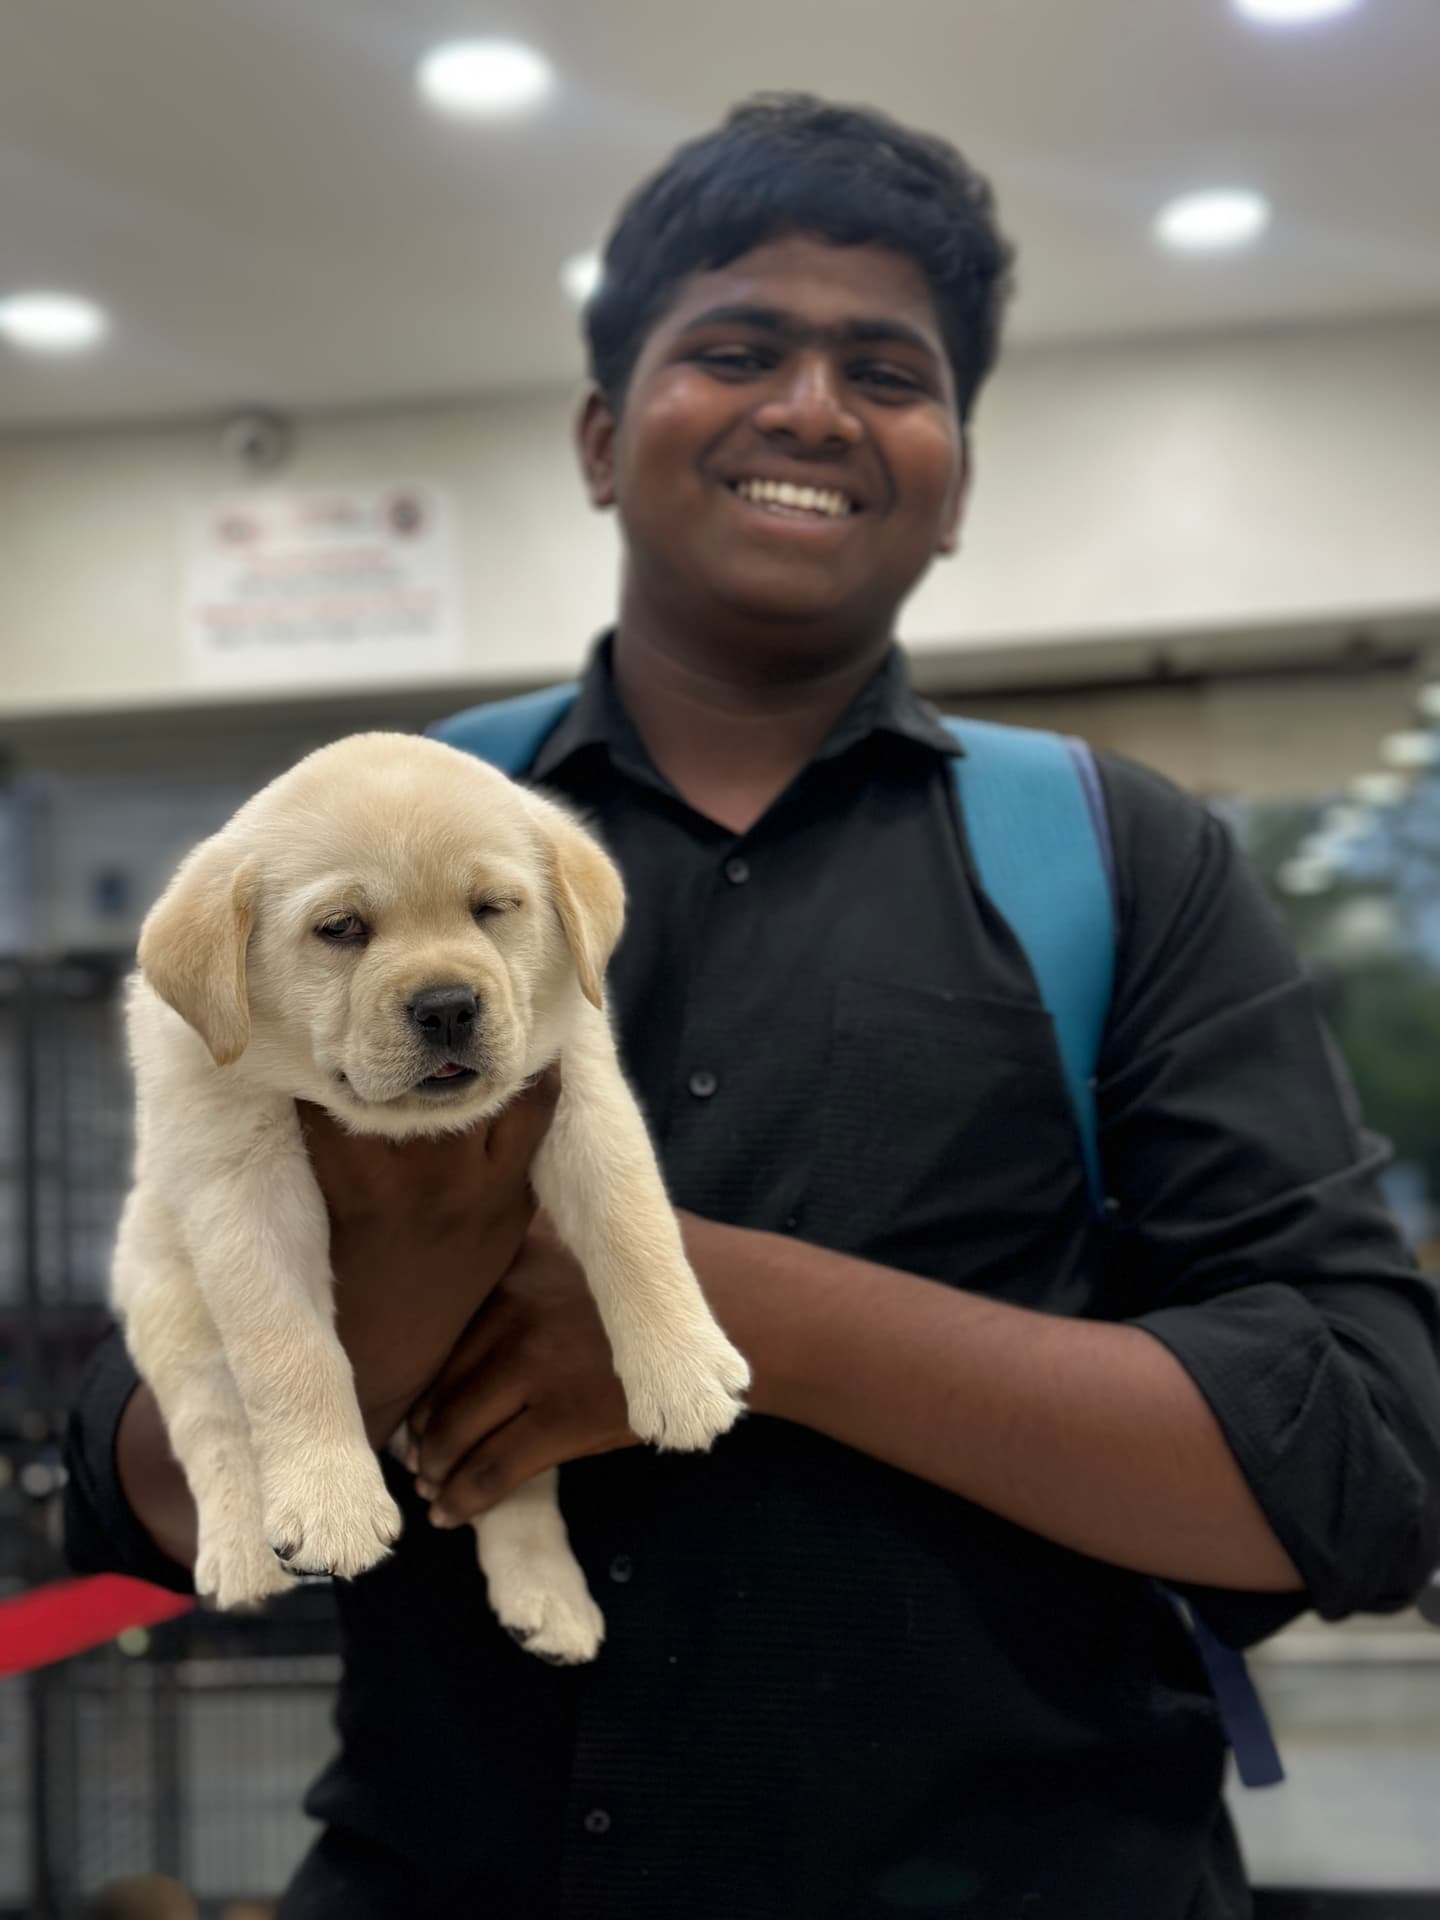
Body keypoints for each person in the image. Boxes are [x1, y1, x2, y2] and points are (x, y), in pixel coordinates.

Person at [65, 94, 1440, 1920]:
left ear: (951, 474)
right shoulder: (345, 847)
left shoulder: (1115, 855)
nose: (811, 405)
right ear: (599, 435)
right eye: (737, 349)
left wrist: (717, 1315)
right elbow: (148, 1493)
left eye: (890, 367)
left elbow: (1355, 1467)